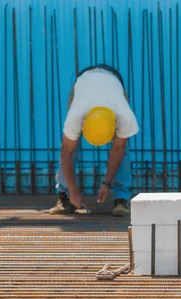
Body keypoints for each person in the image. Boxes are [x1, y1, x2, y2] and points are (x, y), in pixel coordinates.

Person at [49, 64, 139, 217]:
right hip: (83, 82)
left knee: (122, 147)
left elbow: (118, 148)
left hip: (113, 80)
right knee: (69, 145)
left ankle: (121, 198)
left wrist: (106, 183)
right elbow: (66, 153)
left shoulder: (124, 116)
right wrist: (73, 190)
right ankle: (65, 196)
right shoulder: (76, 116)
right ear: (83, 125)